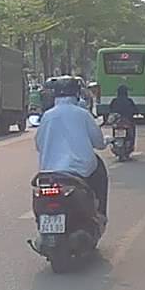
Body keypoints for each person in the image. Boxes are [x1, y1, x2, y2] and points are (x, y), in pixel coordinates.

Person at [35, 79, 109, 218]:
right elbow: (98, 142)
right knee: (99, 170)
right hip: (79, 171)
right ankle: (100, 214)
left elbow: (39, 145)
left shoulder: (47, 116)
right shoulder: (83, 114)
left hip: (49, 174)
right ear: (77, 94)